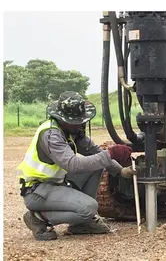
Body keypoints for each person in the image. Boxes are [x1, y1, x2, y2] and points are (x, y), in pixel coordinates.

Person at [17, 91, 137, 241]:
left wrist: (120, 170)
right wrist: (110, 153)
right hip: (37, 190)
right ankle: (38, 217)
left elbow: (95, 152)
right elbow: (73, 165)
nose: (81, 124)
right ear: (63, 119)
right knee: (90, 208)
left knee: (97, 163)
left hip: (55, 184)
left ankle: (81, 224)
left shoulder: (70, 131)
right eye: (77, 121)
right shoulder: (51, 135)